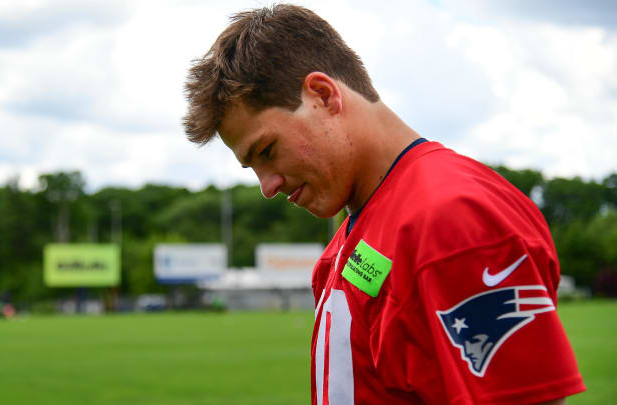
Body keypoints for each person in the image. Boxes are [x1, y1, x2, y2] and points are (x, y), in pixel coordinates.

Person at [183, 4, 586, 404]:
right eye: (251, 167)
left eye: (267, 150)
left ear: (322, 96)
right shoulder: (358, 228)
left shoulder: (451, 216)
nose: (266, 186)